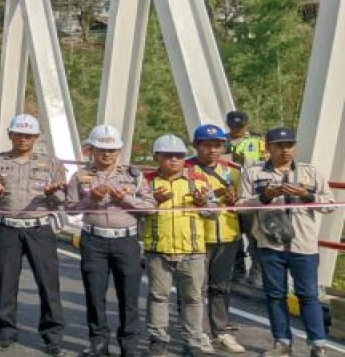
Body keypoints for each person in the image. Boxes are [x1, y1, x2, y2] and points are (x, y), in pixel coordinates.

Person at [239, 126, 336, 357]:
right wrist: (265, 196)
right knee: (275, 294)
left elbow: (330, 205)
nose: (285, 150)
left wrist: (307, 195)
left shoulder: (310, 172)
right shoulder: (253, 174)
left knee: (309, 295)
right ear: (268, 147)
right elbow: (241, 207)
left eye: (289, 145)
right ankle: (282, 342)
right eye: (279, 146)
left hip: (304, 245)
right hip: (270, 244)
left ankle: (317, 344)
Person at [0, 114, 68, 355]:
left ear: (36, 137)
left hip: (39, 228)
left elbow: (62, 200)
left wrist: (53, 193)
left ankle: (52, 337)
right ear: (10, 135)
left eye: (28, 135)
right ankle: (6, 333)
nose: (23, 139)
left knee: (48, 284)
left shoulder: (52, 163)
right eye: (19, 134)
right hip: (7, 228)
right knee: (6, 283)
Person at [66, 125, 152, 357]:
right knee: (94, 294)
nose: (107, 154)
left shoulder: (134, 175)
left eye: (112, 149)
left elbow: (150, 207)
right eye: (101, 149)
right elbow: (70, 209)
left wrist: (125, 199)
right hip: (94, 240)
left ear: (119, 150)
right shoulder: (80, 176)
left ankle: (129, 344)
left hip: (126, 242)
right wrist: (91, 200)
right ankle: (98, 343)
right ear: (91, 149)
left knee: (129, 296)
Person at [142, 134, 214, 357]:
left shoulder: (199, 182)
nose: (174, 160)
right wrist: (155, 201)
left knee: (193, 298)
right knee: (158, 296)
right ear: (156, 157)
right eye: (168, 156)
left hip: (192, 250)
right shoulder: (146, 182)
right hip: (158, 250)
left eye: (179, 156)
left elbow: (212, 213)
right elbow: (136, 212)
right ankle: (158, 339)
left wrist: (203, 204)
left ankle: (193, 340)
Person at [187, 124, 246, 354]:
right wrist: (211, 197)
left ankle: (220, 332)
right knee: (194, 289)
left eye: (217, 145)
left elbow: (242, 201)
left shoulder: (232, 170)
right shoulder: (186, 169)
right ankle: (194, 333)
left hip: (228, 235)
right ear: (196, 145)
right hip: (198, 236)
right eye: (207, 145)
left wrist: (234, 201)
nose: (213, 150)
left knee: (220, 287)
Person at [226, 111, 265, 284]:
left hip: (249, 193)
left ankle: (255, 274)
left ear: (246, 125)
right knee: (232, 235)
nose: (236, 130)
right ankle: (238, 270)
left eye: (239, 127)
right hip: (228, 194)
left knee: (254, 235)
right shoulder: (221, 141)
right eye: (233, 127)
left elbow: (266, 164)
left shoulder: (258, 142)